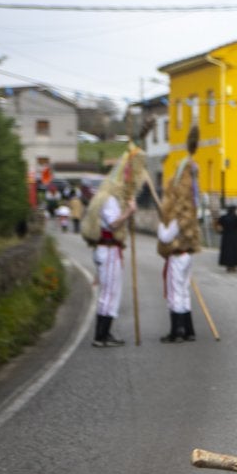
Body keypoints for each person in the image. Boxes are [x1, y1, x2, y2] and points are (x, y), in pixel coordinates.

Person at [79, 148, 146, 348]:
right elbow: (113, 224)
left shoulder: (108, 198)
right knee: (109, 294)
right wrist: (129, 213)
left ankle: (105, 333)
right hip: (108, 250)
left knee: (111, 292)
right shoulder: (109, 200)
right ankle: (101, 335)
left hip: (108, 251)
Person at [156, 133, 202, 343]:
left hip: (176, 256)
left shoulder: (176, 215)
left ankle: (177, 331)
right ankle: (189, 330)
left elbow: (165, 236)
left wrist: (161, 221)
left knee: (176, 294)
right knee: (184, 292)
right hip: (187, 255)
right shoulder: (190, 213)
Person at [215, 205, 237, 273]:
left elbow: (217, 223)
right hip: (234, 236)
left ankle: (228, 266)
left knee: (227, 251)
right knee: (234, 251)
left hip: (225, 236)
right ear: (234, 210)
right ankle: (233, 266)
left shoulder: (223, 217)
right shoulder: (236, 218)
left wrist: (220, 231)